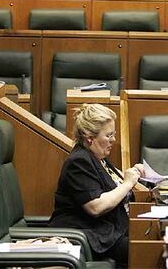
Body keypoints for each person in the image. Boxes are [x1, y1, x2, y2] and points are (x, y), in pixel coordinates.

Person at [49, 103, 144, 268]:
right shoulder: (79, 161)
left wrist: (133, 174)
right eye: (108, 135)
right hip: (89, 235)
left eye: (113, 134)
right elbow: (96, 206)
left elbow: (116, 185)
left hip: (108, 231)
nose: (113, 140)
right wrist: (128, 183)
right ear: (89, 137)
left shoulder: (98, 158)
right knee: (147, 253)